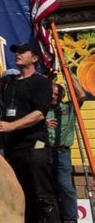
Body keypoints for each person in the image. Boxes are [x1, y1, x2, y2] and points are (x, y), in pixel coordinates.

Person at [0, 42, 60, 222]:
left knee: (42, 195)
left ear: (34, 58)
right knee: (22, 196)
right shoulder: (9, 82)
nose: (18, 54)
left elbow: (38, 114)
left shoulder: (41, 82)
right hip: (13, 148)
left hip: (35, 144)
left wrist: (11, 126)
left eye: (22, 52)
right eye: (16, 52)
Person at [47, 80, 85, 222]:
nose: (54, 96)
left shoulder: (68, 108)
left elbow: (81, 95)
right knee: (48, 188)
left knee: (65, 186)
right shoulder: (40, 109)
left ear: (62, 96)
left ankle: (70, 219)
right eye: (52, 93)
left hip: (62, 153)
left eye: (57, 94)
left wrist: (68, 73)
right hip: (44, 152)